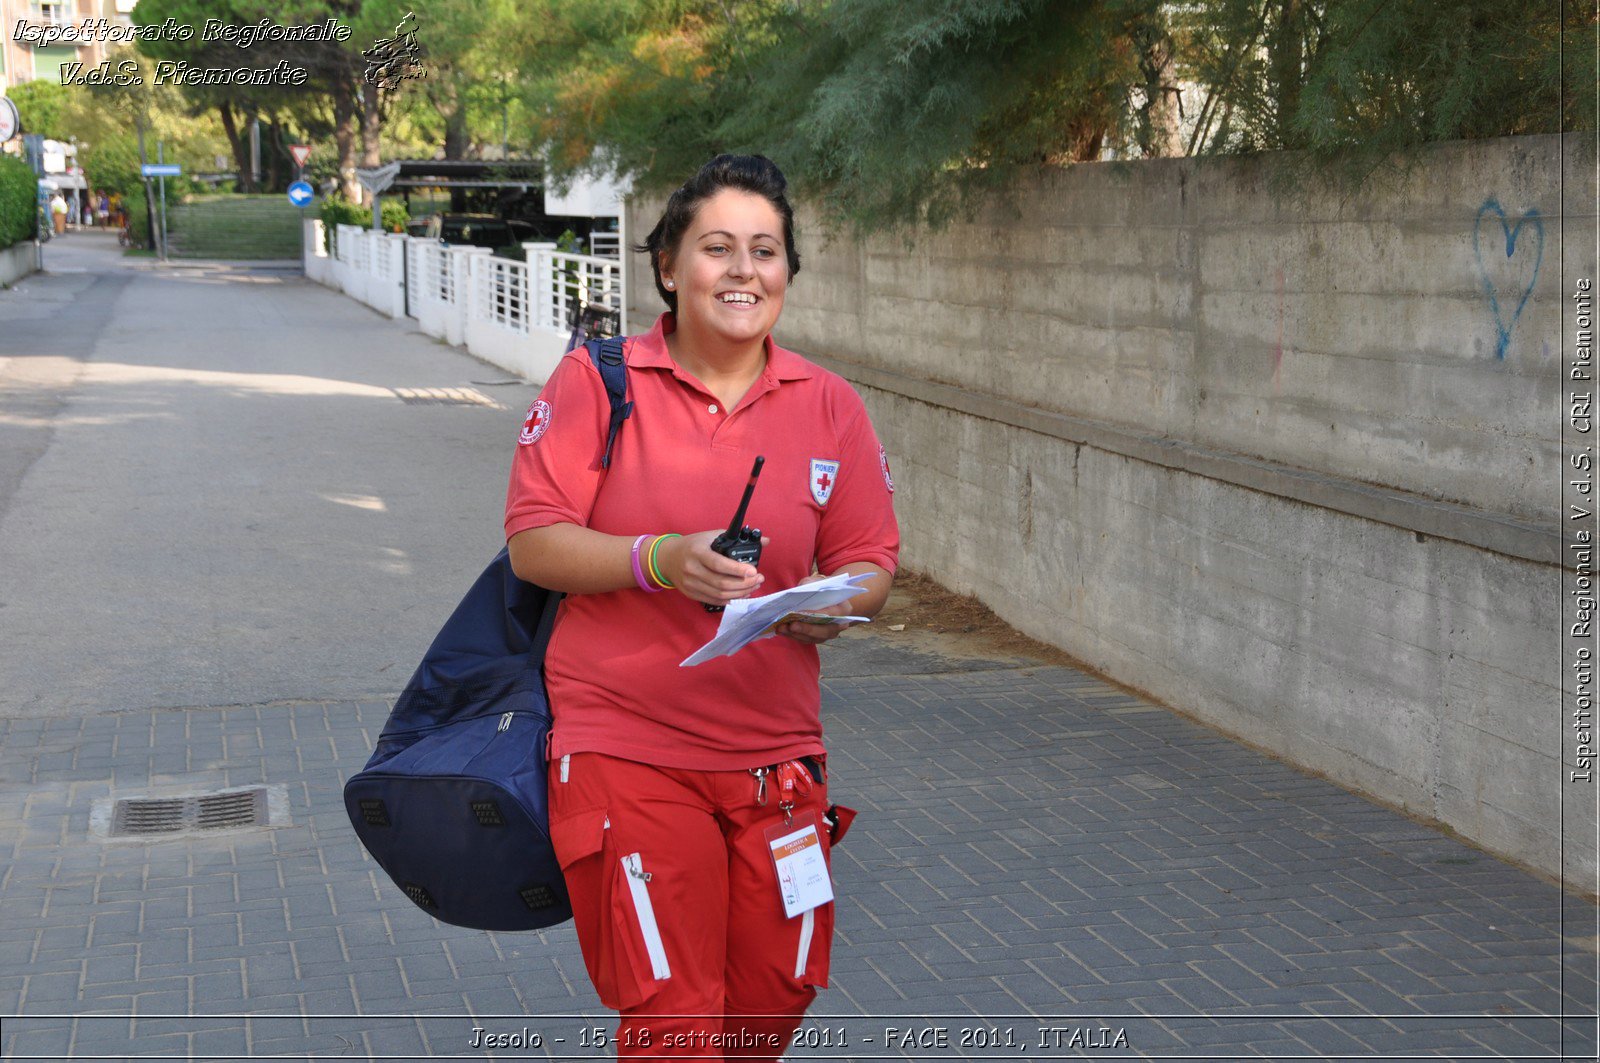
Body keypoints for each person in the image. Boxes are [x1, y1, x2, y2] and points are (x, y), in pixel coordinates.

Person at [505, 154, 899, 1060]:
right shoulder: (598, 384)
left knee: (771, 1002)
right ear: (668, 268)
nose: (742, 270)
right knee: (676, 1020)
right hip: (627, 749)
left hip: (778, 765)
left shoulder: (830, 405)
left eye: (765, 250)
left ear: (788, 272)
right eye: (716, 247)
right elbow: (535, 541)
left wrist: (834, 606)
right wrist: (662, 559)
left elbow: (870, 557)